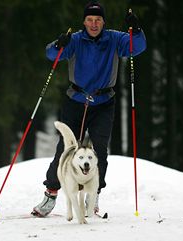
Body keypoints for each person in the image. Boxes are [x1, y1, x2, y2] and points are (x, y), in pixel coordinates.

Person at [32, 1, 147, 217]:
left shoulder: (114, 38)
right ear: (84, 22)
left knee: (99, 151)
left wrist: (137, 30)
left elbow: (137, 47)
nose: (94, 24)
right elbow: (51, 54)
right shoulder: (75, 39)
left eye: (98, 20)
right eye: (90, 20)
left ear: (103, 21)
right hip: (76, 100)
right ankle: (51, 193)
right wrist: (59, 44)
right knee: (66, 149)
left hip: (104, 103)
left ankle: (93, 197)